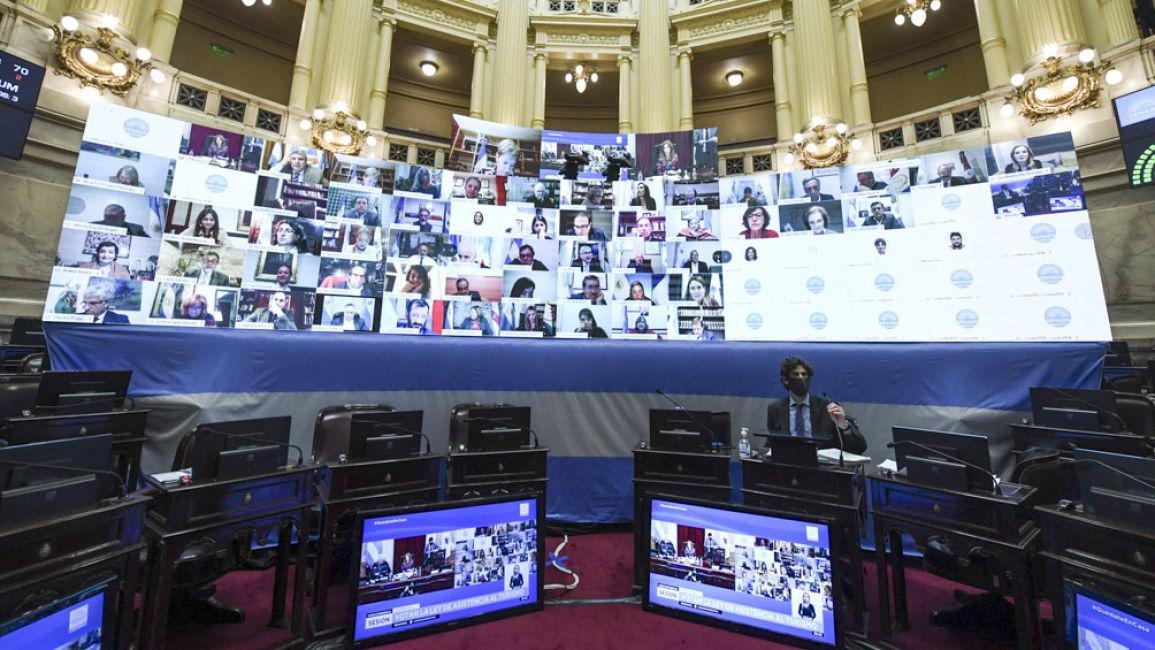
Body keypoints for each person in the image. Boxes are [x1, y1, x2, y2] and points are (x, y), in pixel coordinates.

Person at [765, 356, 868, 453]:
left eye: (804, 374)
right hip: (788, 462)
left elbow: (860, 447)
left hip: (820, 463)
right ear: (785, 380)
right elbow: (771, 444)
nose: (801, 378)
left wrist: (844, 426)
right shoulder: (775, 409)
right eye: (796, 374)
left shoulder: (827, 407)